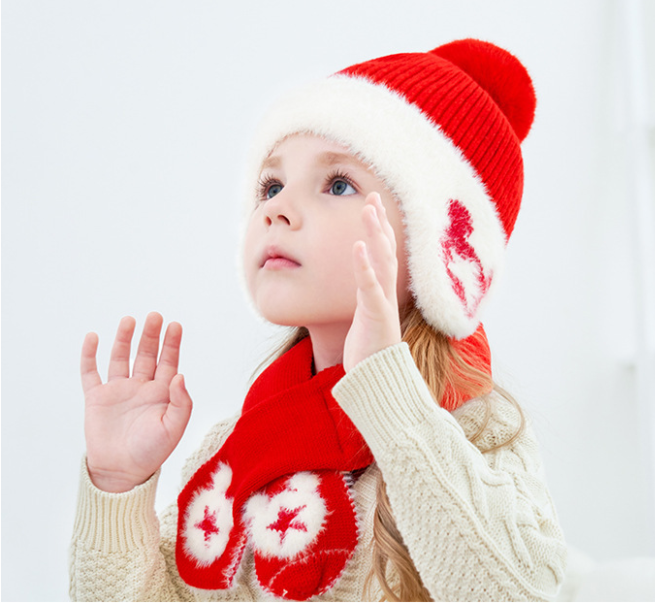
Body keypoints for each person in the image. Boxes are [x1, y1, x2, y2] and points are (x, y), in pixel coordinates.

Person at [70, 39, 567, 602]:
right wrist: (117, 486)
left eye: (337, 184)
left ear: (429, 253)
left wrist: (389, 393)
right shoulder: (235, 448)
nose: (275, 208)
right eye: (271, 185)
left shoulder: (479, 427)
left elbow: (518, 592)